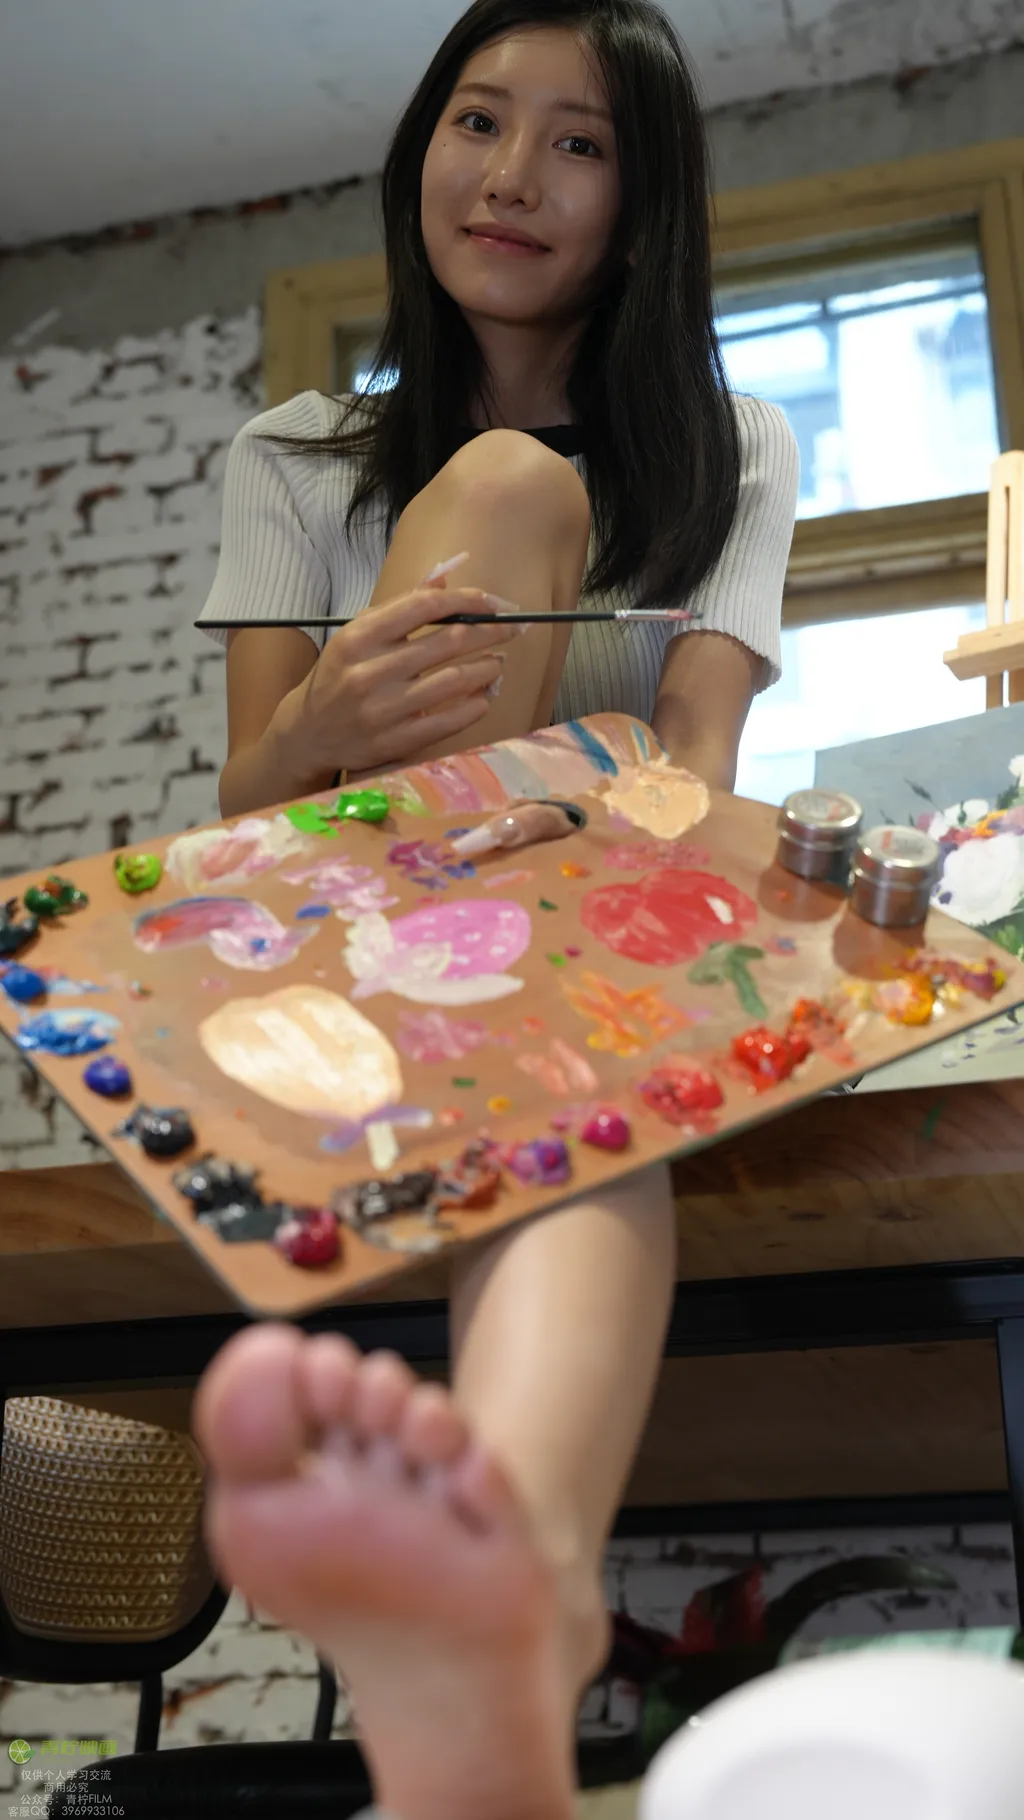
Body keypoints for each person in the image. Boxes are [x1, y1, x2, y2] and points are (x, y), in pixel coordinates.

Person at [193, 4, 799, 1819]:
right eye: (478, 120)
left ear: (642, 199)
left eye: (579, 142)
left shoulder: (732, 450)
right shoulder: (297, 455)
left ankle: (514, 1605)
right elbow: (248, 819)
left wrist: (580, 819)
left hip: (559, 971)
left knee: (560, 1054)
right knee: (507, 481)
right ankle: (525, 1601)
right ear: (423, 150)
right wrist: (322, 727)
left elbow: (702, 773)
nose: (512, 177)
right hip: (344, 947)